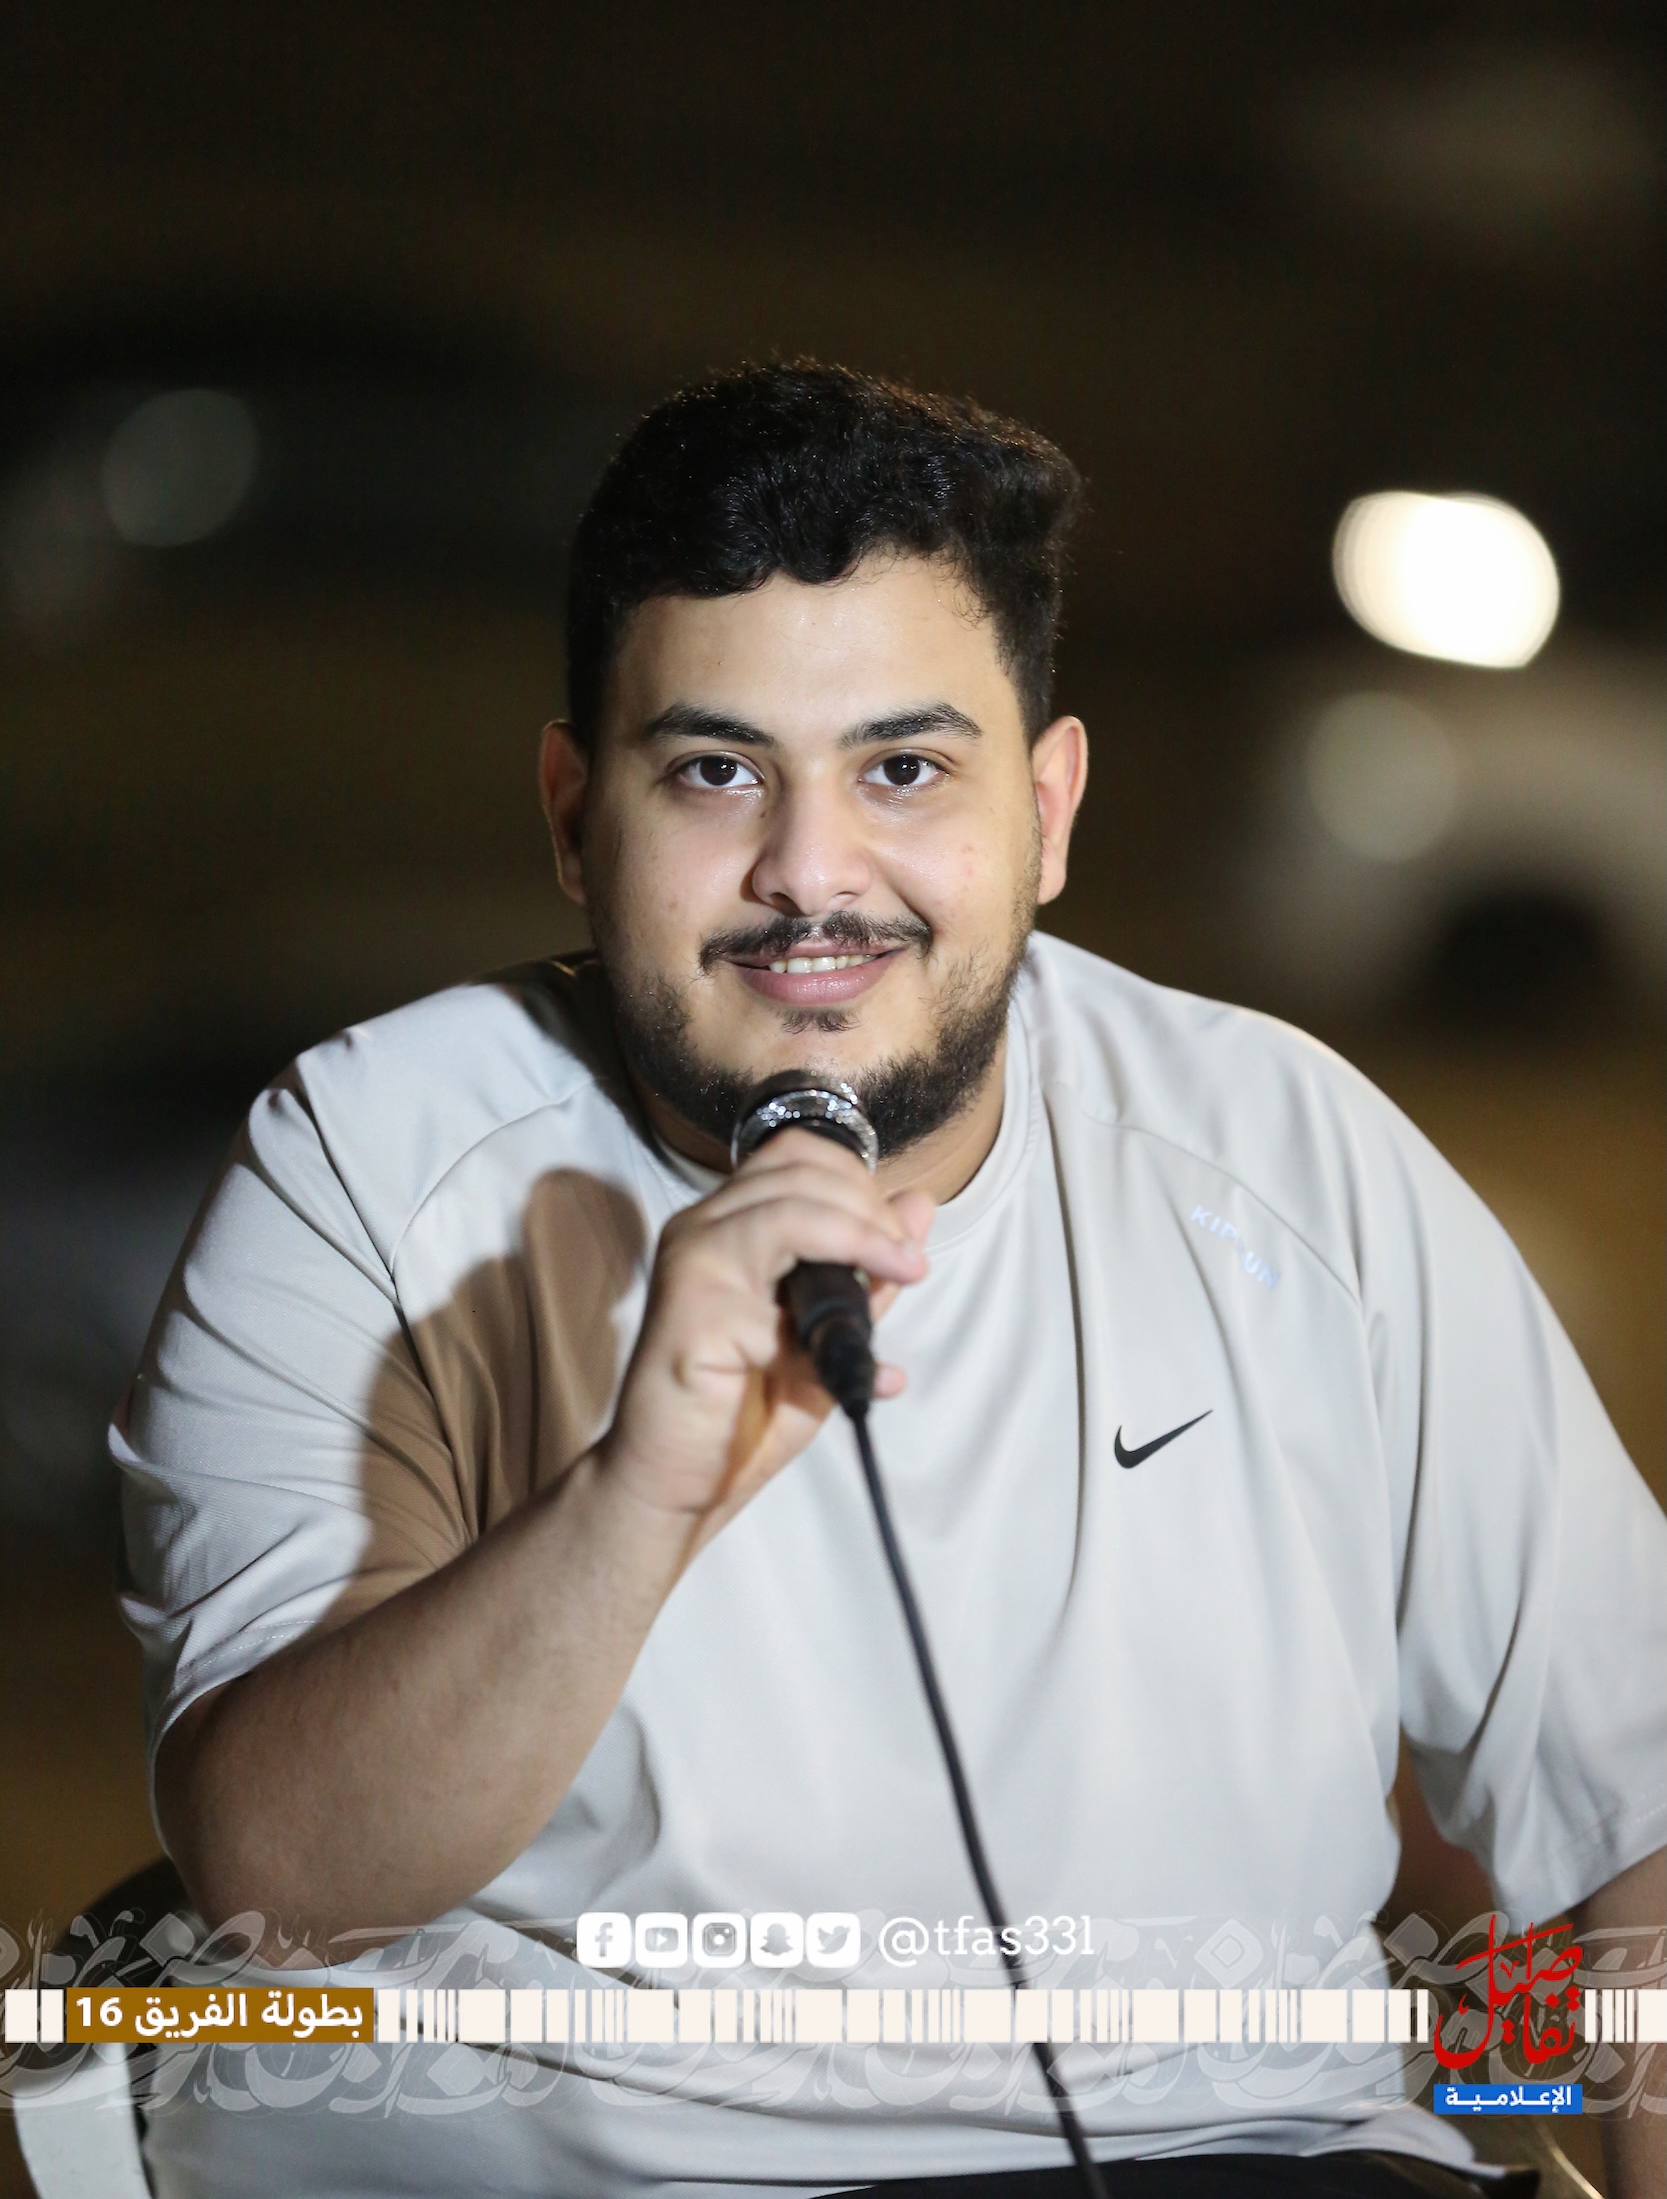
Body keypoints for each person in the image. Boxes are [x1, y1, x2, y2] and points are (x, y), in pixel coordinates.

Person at [115, 362, 1664, 2199]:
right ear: (571, 813)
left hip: (1248, 2151)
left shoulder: (1290, 1159)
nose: (810, 874)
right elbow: (276, 1877)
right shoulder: (367, 1162)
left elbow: (1633, 1827)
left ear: (1050, 811)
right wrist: (635, 1501)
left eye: (905, 770)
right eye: (714, 772)